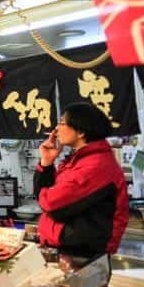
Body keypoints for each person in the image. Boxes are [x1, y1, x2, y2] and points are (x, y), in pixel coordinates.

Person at [34, 101, 129, 263]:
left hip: (83, 258)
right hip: (66, 251)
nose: (56, 129)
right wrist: (47, 162)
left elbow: (52, 205)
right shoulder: (78, 160)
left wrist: (47, 197)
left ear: (81, 131)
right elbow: (44, 197)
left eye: (62, 123)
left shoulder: (96, 165)